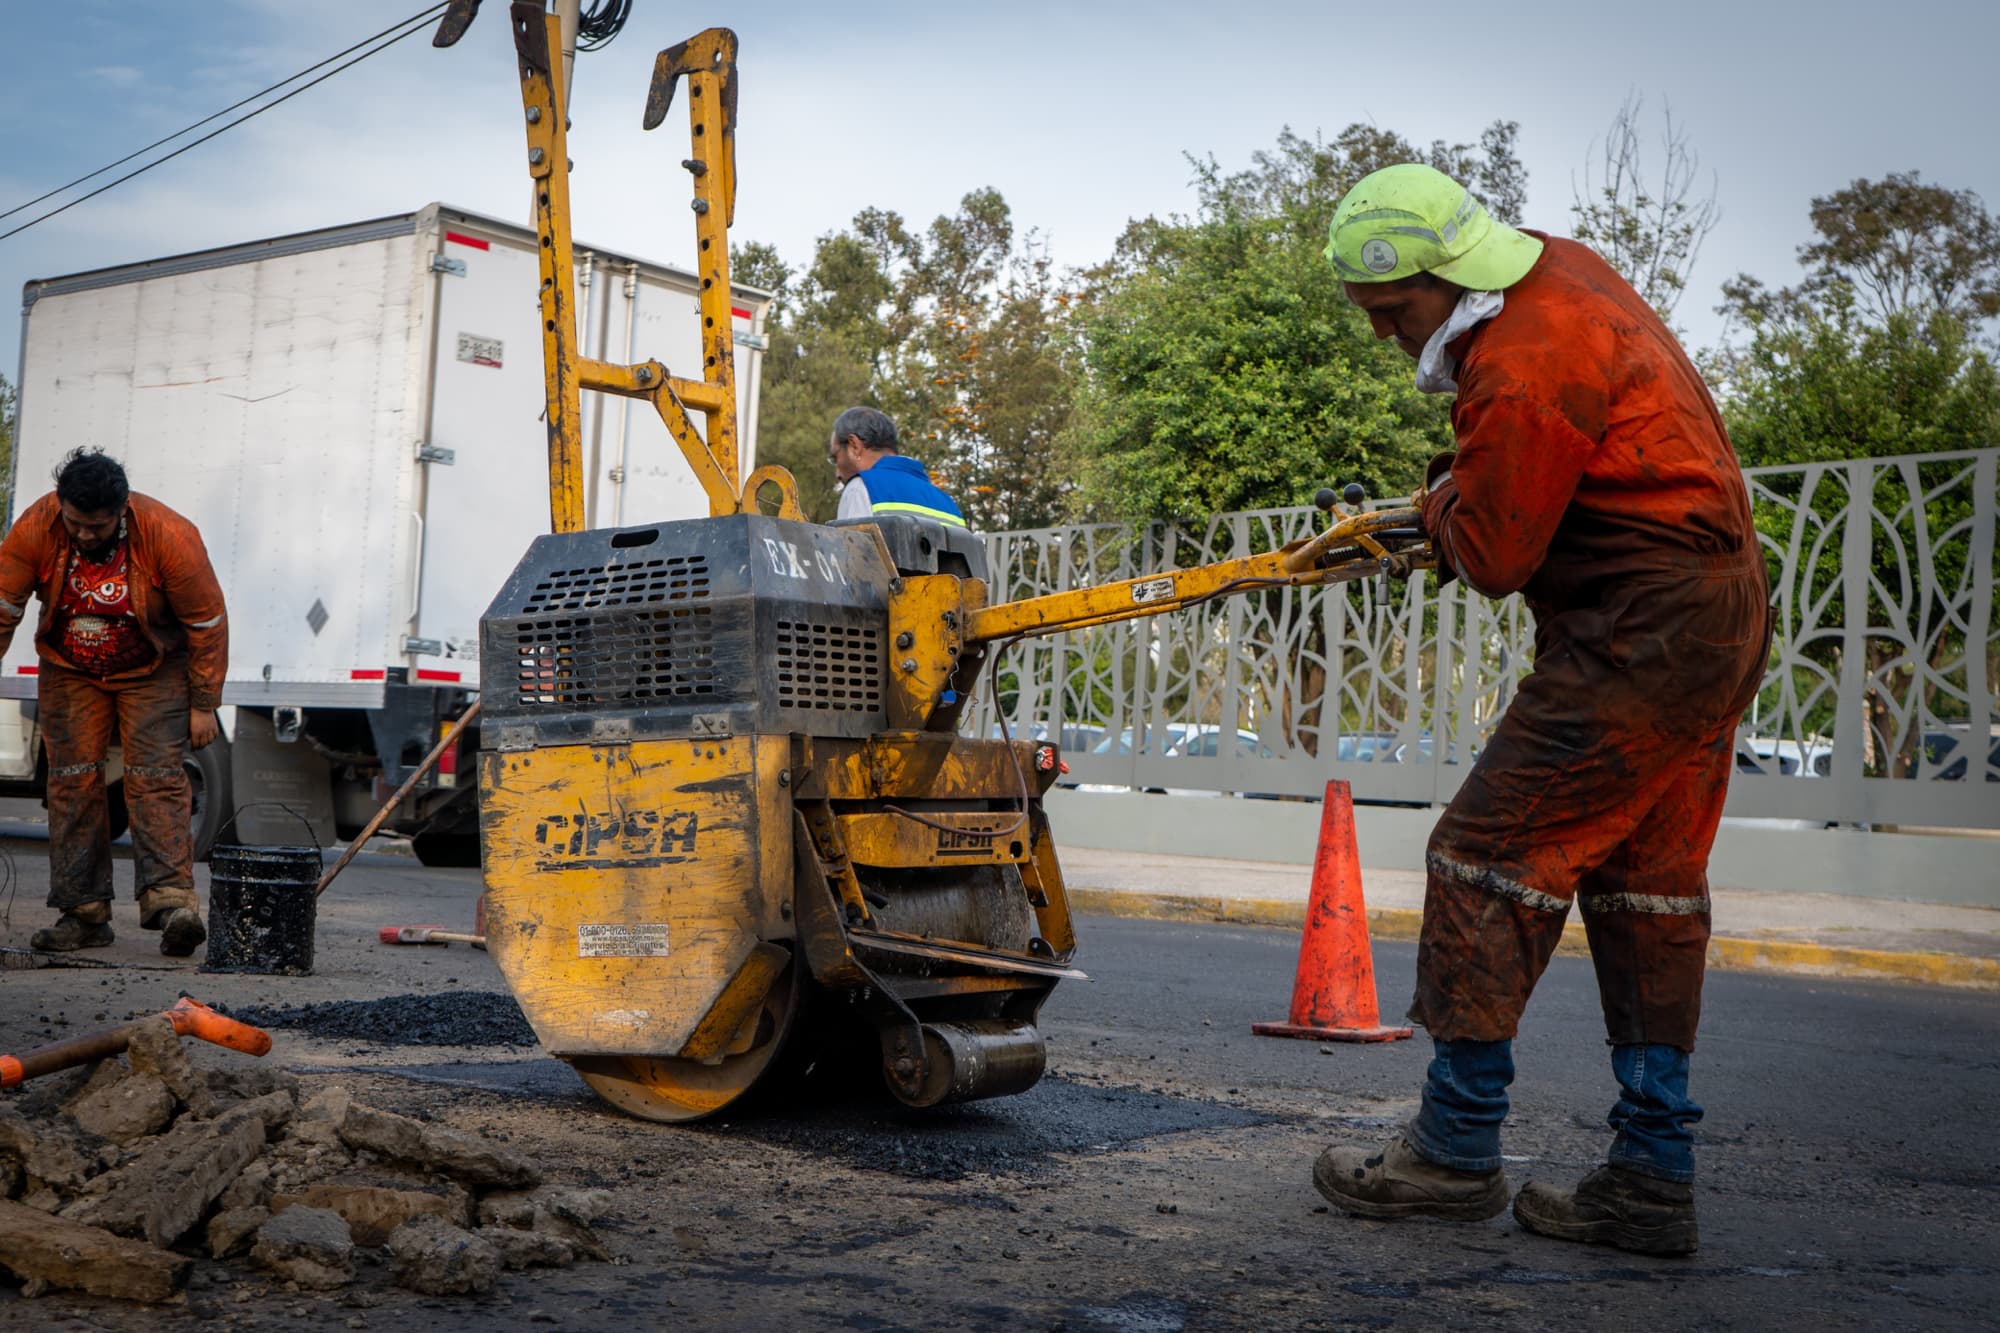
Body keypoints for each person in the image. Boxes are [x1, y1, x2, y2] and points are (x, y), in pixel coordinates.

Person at [1310, 164, 1769, 1256]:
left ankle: (1452, 1151)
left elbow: (1495, 553)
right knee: (1644, 889)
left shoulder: (1515, 365)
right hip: (1712, 616)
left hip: (1636, 629)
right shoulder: (1557, 271)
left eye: (1390, 312)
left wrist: (1432, 504)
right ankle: (1650, 1177)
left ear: (1437, 277)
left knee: (1481, 855)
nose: (1385, 336)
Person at [0, 449, 229, 957]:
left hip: (154, 668)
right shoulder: (36, 527)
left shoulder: (170, 536)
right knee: (72, 782)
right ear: (60, 506)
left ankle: (171, 905)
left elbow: (208, 625)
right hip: (69, 666)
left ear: (122, 510)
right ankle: (82, 914)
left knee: (158, 778)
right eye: (75, 523)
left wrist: (204, 702)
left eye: (97, 526)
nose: (84, 535)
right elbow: (3, 608)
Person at [828, 406, 966, 526]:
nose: (837, 474)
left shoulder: (860, 488)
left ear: (854, 445)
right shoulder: (949, 505)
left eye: (836, 457)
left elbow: (851, 554)